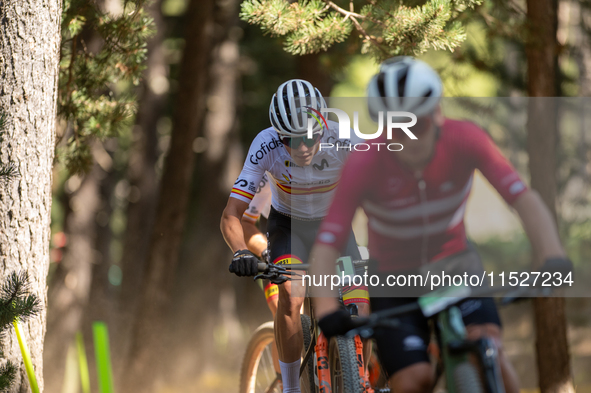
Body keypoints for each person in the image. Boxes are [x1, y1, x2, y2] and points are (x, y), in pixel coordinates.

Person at [309, 57, 571, 393]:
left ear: (436, 113)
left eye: (417, 125)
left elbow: (523, 199)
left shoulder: (466, 140)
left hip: (456, 265)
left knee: (489, 349)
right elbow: (329, 241)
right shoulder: (366, 160)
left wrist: (553, 256)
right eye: (397, 127)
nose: (410, 138)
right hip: (394, 277)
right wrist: (328, 309)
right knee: (413, 380)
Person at [220, 79, 368, 393]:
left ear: (323, 125)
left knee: (360, 303)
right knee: (291, 295)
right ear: (278, 133)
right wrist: (241, 252)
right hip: (288, 227)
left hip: (334, 228)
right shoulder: (266, 144)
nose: (301, 147)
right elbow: (232, 214)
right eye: (290, 138)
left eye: (309, 136)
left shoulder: (344, 139)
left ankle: (360, 380)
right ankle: (291, 389)